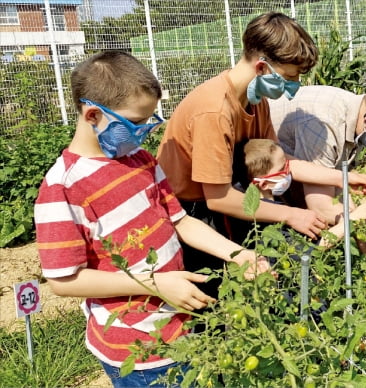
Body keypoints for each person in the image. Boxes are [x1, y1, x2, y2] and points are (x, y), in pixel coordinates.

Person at [34, 51, 270, 388]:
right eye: (134, 123)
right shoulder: (63, 187)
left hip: (180, 327)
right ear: (92, 114)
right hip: (137, 348)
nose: (143, 133)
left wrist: (239, 253)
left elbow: (181, 221)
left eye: (149, 121)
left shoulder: (139, 160)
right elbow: (64, 281)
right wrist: (157, 284)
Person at [156, 12, 366, 298]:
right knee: (211, 299)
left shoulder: (255, 101)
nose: (293, 88)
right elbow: (218, 197)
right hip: (192, 214)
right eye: (289, 77)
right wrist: (291, 214)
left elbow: (281, 163)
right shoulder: (214, 111)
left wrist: (343, 177)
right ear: (261, 67)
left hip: (236, 198)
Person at [237, 139, 366, 252]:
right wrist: (355, 217)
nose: (290, 170)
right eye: (282, 168)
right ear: (262, 183)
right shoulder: (264, 218)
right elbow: (311, 250)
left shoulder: (278, 201)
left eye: (288, 164)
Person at [268, 85, 366, 225]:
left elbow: (335, 184)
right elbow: (320, 206)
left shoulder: (359, 117)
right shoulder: (324, 126)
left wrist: (359, 229)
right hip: (257, 177)